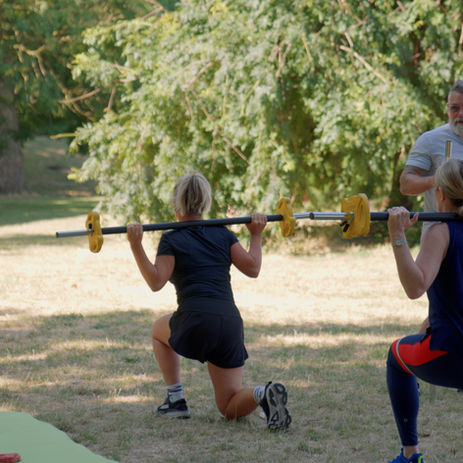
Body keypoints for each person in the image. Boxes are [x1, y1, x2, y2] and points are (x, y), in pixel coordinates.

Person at [126, 171, 291, 431]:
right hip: (229, 323)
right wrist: (256, 234)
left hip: (195, 320)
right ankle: (262, 393)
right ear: (206, 204)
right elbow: (253, 268)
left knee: (159, 331)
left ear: (175, 204)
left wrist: (136, 246)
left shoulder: (171, 238)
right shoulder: (223, 234)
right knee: (228, 406)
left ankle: (176, 400)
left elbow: (156, 282)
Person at [385, 158, 463, 463]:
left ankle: (410, 454)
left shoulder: (440, 231)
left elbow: (415, 287)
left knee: (396, 356)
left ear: (440, 194)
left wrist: (397, 235)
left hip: (450, 351)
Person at [400, 80, 463, 340]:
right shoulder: (431, 140)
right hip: (442, 239)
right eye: (454, 108)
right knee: (445, 308)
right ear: (447, 109)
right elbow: (406, 184)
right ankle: (426, 355)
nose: (460, 115)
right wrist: (438, 179)